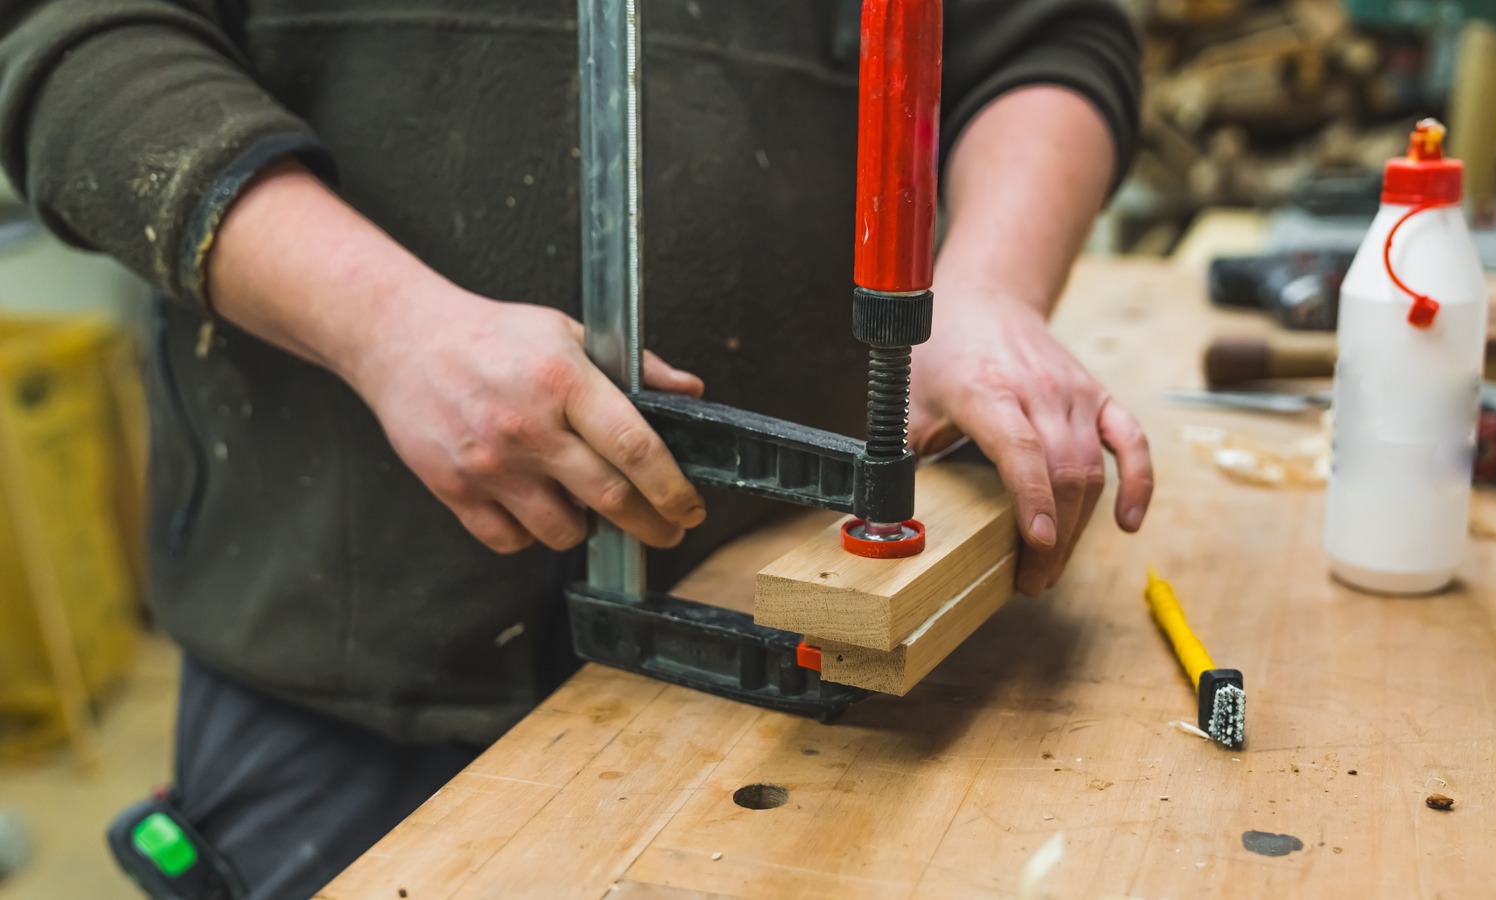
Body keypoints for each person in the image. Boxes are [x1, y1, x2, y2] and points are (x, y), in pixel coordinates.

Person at [0, 0, 1151, 896]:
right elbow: (67, 36)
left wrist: (990, 284)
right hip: (348, 675)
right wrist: (383, 322)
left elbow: (1038, 35)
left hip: (804, 645)